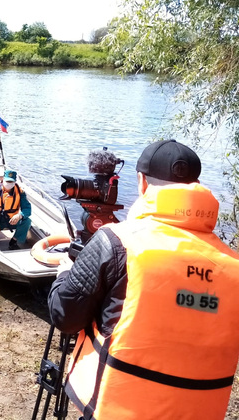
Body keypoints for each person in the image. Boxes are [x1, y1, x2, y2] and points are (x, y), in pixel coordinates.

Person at [48, 139, 239, 420]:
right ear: (197, 187)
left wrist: (65, 273)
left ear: (142, 182)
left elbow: (64, 316)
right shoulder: (233, 266)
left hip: (118, 410)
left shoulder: (118, 242)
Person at [0, 169, 32, 250]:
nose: (9, 184)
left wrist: (20, 215)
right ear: (3, 180)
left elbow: (27, 208)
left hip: (11, 219)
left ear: (15, 182)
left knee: (27, 221)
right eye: (7, 181)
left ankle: (14, 242)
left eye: (11, 182)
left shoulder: (20, 192)